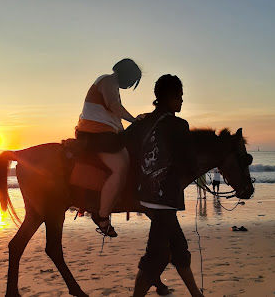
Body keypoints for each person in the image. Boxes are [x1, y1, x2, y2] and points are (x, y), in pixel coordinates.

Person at [126, 74, 203, 297]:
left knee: (179, 247)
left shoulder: (142, 122)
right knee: (156, 256)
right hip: (165, 197)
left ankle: (196, 295)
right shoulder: (179, 125)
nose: (181, 101)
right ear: (170, 97)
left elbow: (123, 144)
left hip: (145, 195)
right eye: (179, 96)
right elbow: (190, 164)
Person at [75, 58, 142, 237]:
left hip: (104, 131)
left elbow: (114, 117)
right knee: (120, 168)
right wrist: (135, 120)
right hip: (96, 132)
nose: (130, 85)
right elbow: (114, 106)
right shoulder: (108, 80)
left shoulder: (111, 84)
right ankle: (102, 215)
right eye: (132, 80)